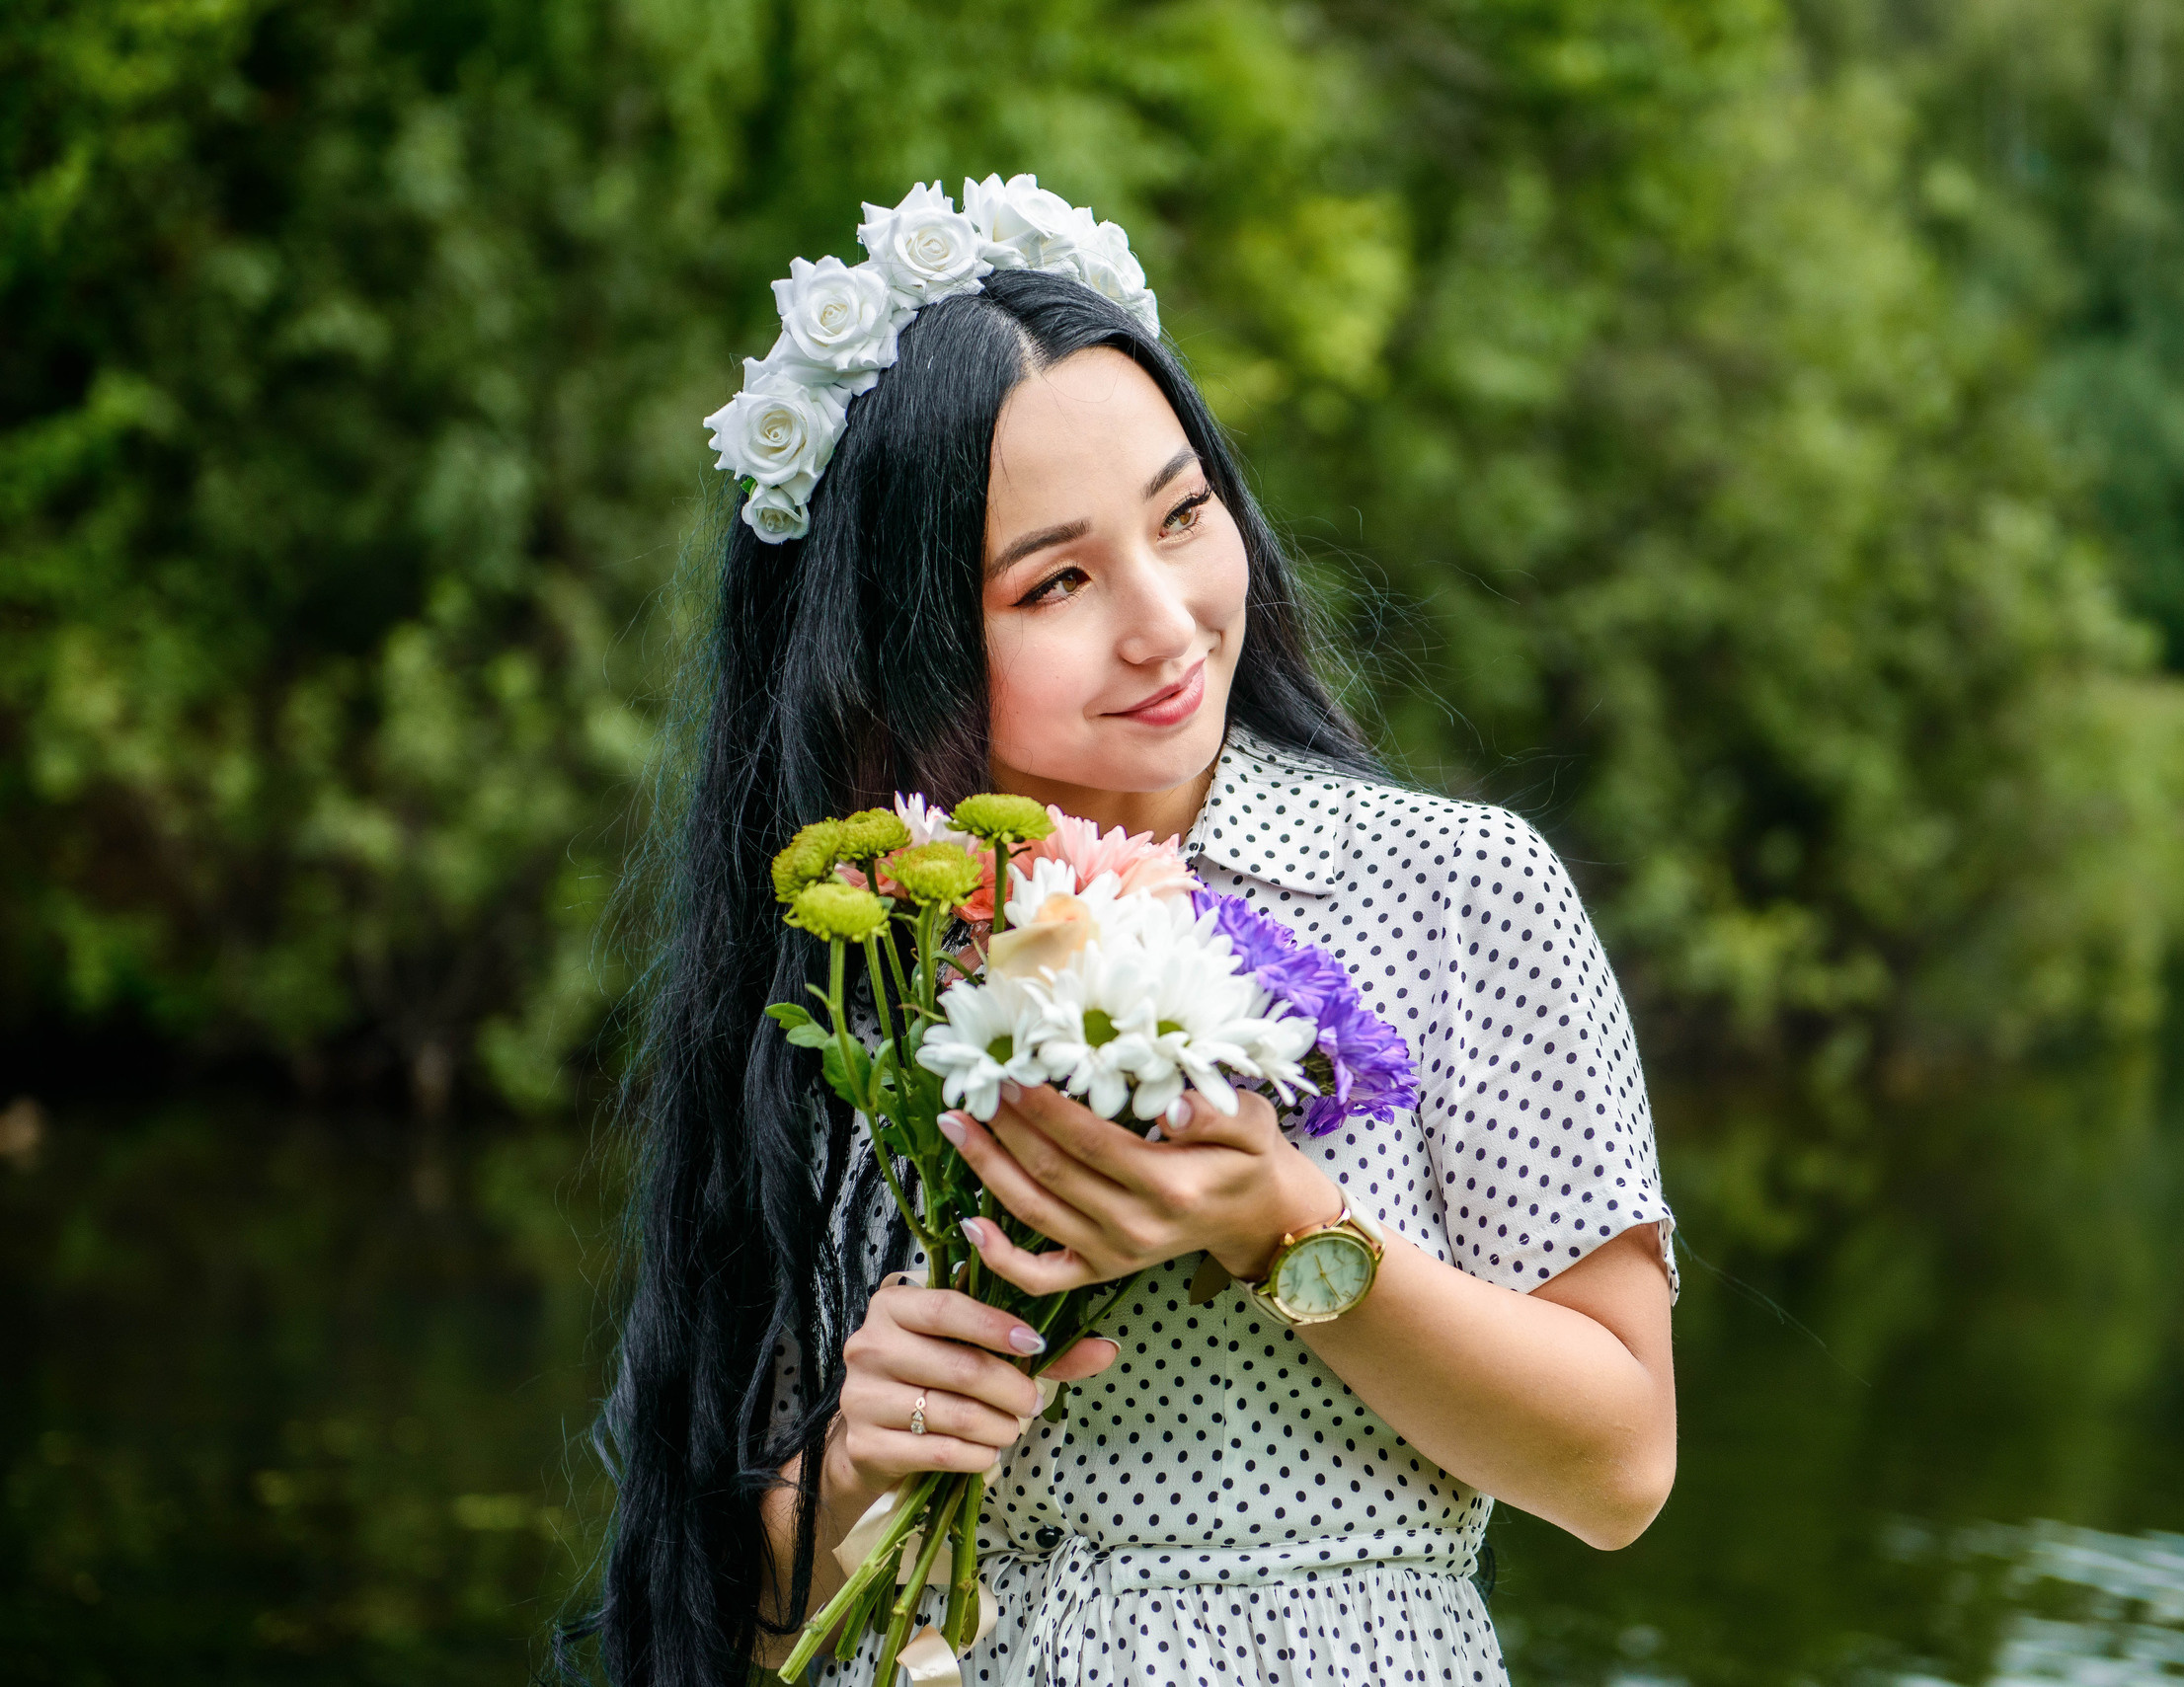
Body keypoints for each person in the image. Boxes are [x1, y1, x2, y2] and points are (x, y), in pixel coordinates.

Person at [581, 179, 1677, 1687]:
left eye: (1183, 516)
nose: (1164, 620)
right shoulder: (862, 948)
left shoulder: (1451, 890)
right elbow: (741, 1605)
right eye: (1059, 581)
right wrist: (846, 1478)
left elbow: (1618, 1465)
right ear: (900, 645)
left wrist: (1280, 1219)